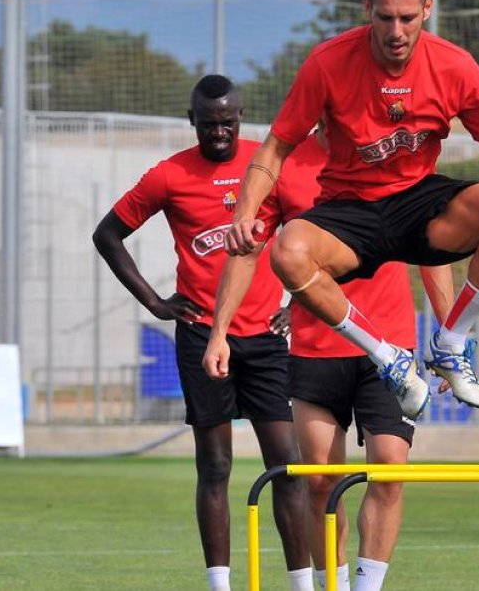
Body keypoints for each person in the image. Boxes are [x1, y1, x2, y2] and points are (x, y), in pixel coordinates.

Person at [219, 0, 479, 420]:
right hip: (349, 211)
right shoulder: (328, 63)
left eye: (408, 18)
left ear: (428, 8)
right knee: (287, 252)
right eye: (385, 17)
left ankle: (452, 343)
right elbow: (274, 148)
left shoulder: (455, 67)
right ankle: (387, 358)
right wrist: (244, 212)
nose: (396, 31)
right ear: (366, 8)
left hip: (417, 204)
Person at [205, 130, 451, 591]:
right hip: (316, 348)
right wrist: (219, 331)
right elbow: (247, 251)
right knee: (319, 481)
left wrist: (446, 332)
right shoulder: (285, 165)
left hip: (390, 346)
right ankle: (330, 584)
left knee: (389, 468)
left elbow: (433, 249)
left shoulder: (393, 159)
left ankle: (367, 586)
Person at [92, 75, 312, 591]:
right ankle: (220, 585)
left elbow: (314, 234)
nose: (219, 132)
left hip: (264, 338)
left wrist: (296, 303)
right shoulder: (168, 176)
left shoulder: (268, 165)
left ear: (241, 119)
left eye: (228, 122)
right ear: (192, 121)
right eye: (209, 124)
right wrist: (154, 302)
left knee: (287, 463)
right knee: (214, 465)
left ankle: (303, 584)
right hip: (201, 335)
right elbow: (107, 234)